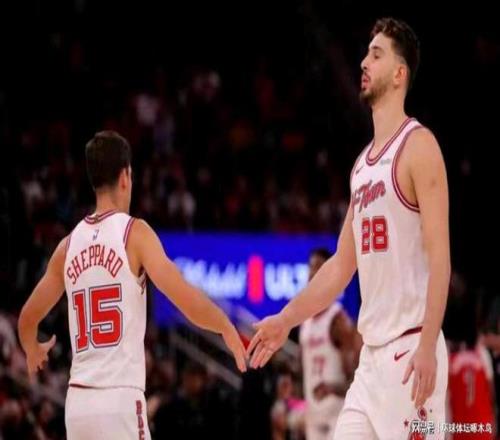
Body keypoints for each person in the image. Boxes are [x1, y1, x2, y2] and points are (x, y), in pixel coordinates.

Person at [247, 17, 450, 439]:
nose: (363, 62)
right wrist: (285, 320)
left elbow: (440, 259)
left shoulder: (419, 146)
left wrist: (428, 344)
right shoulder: (361, 167)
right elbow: (340, 266)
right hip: (370, 362)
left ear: (399, 74)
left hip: (411, 349)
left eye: (376, 55)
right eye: (365, 53)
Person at [17, 131, 247, 440]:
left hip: (78, 405)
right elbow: (183, 296)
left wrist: (32, 349)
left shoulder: (67, 246)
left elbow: (27, 318)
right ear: (126, 176)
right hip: (120, 399)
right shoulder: (134, 234)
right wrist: (225, 326)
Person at [299, 248, 361, 440]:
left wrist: (332, 388)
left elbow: (356, 377)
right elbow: (304, 371)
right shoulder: (305, 321)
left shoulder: (338, 320)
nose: (312, 273)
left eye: (318, 267)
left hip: (337, 415)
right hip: (313, 415)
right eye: (311, 267)